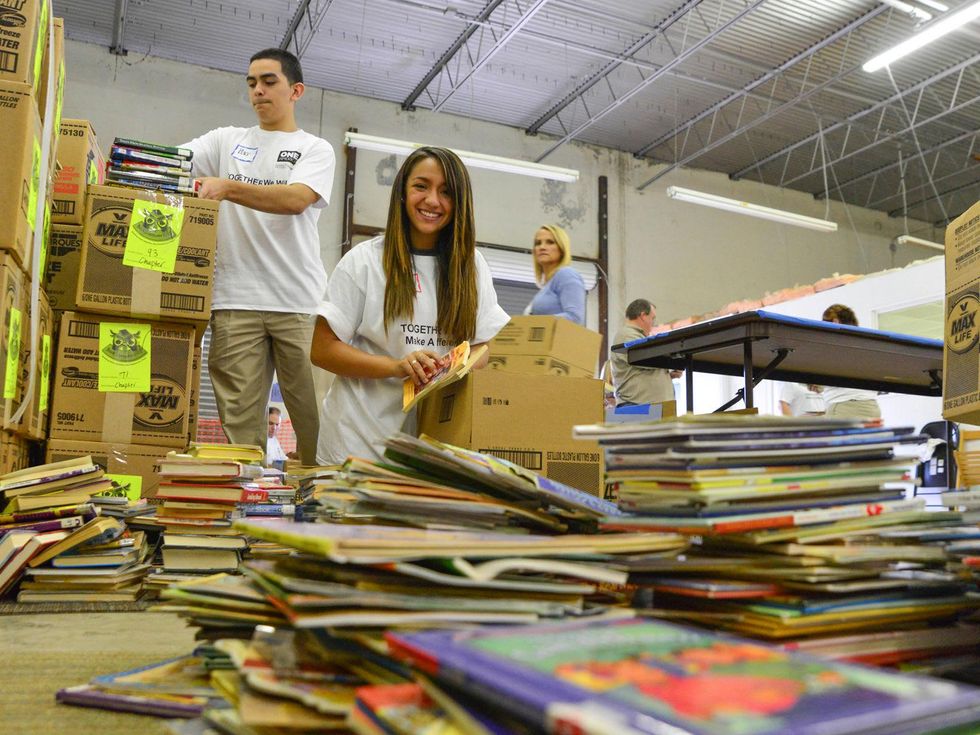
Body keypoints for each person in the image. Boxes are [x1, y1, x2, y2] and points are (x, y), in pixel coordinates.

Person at [182, 48, 334, 466]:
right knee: (240, 435)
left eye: (269, 81)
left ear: (296, 90)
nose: (258, 91)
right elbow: (169, 163)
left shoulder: (315, 149)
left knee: (315, 421)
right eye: (251, 83)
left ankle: (318, 508)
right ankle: (247, 515)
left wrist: (227, 187)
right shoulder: (224, 141)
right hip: (235, 300)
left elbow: (296, 199)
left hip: (299, 302)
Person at [310, 147, 510, 464]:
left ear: (460, 202)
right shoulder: (364, 260)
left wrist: (452, 367)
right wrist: (398, 367)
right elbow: (322, 349)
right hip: (358, 445)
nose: (432, 200)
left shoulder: (472, 266)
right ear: (403, 192)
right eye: (421, 186)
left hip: (435, 451)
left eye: (446, 192)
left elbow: (485, 346)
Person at [610, 299, 679, 406]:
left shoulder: (637, 336)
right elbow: (646, 359)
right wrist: (672, 363)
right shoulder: (627, 335)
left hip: (647, 406)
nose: (653, 323)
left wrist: (667, 374)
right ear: (643, 316)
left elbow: (644, 368)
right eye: (652, 318)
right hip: (637, 407)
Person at [820, 304, 881, 419]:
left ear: (835, 322)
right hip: (871, 406)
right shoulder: (866, 344)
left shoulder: (832, 345)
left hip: (844, 406)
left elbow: (824, 375)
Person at [526, 224, 586, 325]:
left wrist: (534, 322)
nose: (542, 247)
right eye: (538, 243)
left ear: (561, 248)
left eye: (550, 242)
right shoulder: (548, 285)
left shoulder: (566, 274)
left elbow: (575, 318)